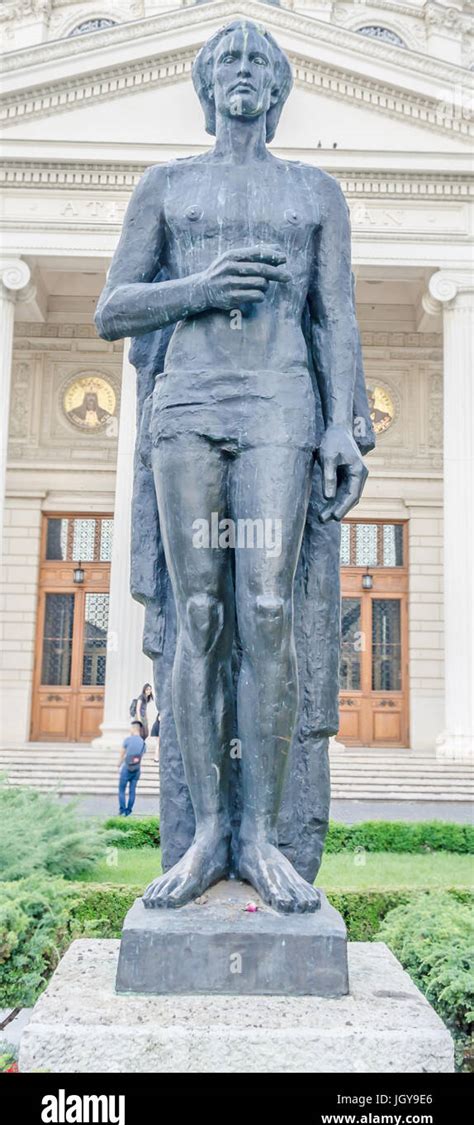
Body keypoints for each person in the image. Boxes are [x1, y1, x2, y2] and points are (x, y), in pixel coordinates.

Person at [96, 21, 369, 912]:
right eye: (227, 63)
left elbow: (335, 316)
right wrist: (203, 286)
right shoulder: (167, 187)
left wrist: (342, 426)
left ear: (279, 87)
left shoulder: (314, 191)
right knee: (199, 610)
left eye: (258, 62)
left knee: (267, 605)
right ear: (206, 85)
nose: (242, 74)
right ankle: (207, 830)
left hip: (281, 405)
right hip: (188, 408)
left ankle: (263, 834)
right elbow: (114, 310)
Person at [118, 721, 146, 816]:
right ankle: (129, 811)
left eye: (130, 728)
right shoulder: (143, 743)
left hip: (126, 768)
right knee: (132, 790)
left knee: (122, 790)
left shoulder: (128, 740)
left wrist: (118, 764)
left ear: (134, 729)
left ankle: (122, 810)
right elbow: (141, 756)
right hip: (137, 769)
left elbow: (122, 754)